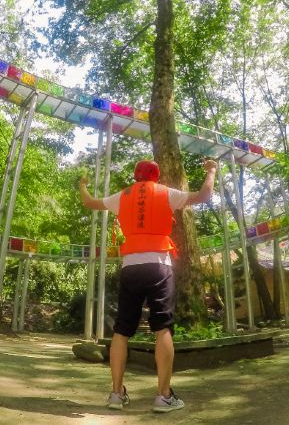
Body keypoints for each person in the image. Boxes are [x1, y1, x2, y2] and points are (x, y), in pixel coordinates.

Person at [79, 157, 217, 413]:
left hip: (130, 266)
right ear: (157, 176)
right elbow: (204, 195)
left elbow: (89, 202)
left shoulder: (123, 196)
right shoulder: (166, 192)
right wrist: (211, 171)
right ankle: (163, 397)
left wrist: (83, 185)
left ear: (136, 176)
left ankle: (116, 395)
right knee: (162, 328)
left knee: (121, 330)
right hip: (159, 264)